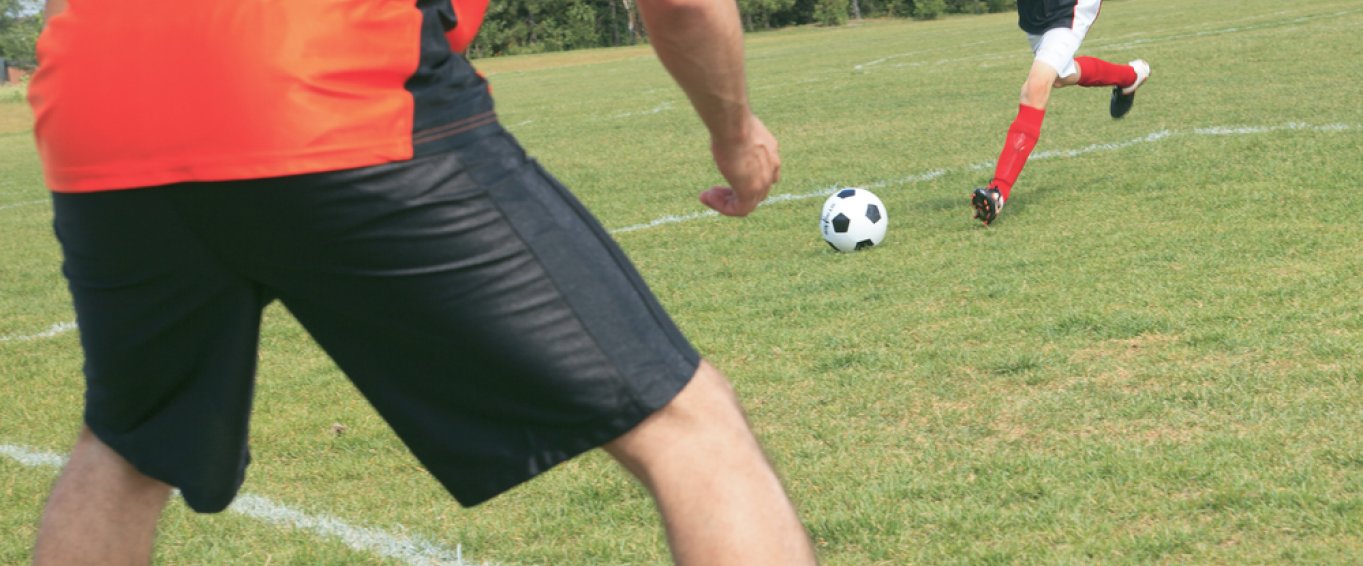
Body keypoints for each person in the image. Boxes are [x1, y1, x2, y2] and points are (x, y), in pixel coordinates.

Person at [27, 0, 818, 564]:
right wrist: (737, 133)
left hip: (97, 100)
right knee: (689, 427)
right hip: (324, 76)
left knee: (128, 443)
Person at [972, 0, 1151, 225]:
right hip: (1036, 12)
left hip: (1068, 6)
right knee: (1060, 76)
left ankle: (997, 191)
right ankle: (1130, 76)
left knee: (1036, 85)